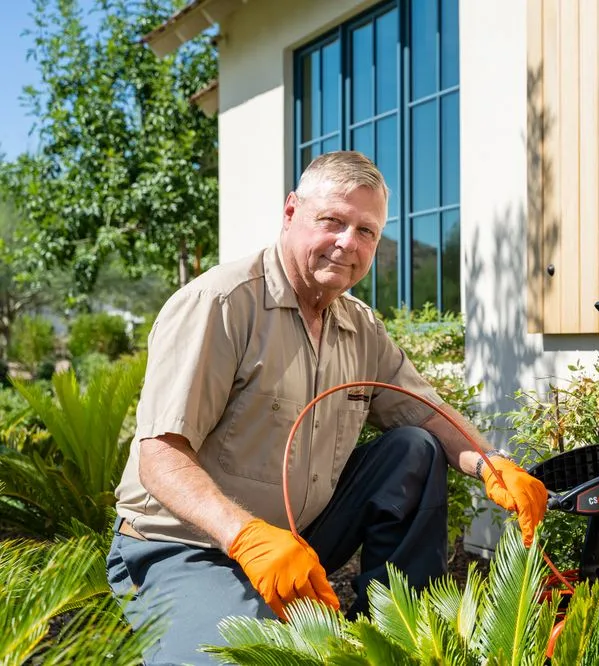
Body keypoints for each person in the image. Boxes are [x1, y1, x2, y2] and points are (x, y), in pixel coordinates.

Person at [107, 150, 548, 666]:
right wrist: (244, 536)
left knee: (414, 449)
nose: (348, 243)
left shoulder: (359, 327)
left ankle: (398, 633)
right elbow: (160, 456)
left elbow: (424, 411)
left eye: (366, 231)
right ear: (291, 212)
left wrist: (490, 463)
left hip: (298, 539)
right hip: (184, 548)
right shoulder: (221, 305)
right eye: (332, 221)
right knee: (246, 657)